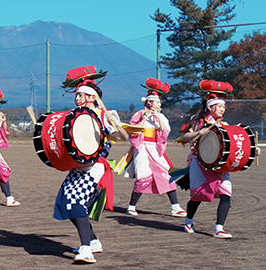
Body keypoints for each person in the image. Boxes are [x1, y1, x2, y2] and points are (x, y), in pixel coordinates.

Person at [54, 66, 128, 263]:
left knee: (76, 202)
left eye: (82, 95)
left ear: (93, 97)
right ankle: (93, 241)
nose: (77, 98)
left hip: (95, 167)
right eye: (76, 95)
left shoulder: (106, 114)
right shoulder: (75, 115)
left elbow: (124, 137)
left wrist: (115, 123)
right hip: (78, 167)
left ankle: (86, 249)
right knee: (65, 203)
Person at [178, 80, 255, 239]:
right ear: (211, 107)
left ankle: (219, 228)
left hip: (220, 166)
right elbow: (185, 137)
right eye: (219, 106)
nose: (223, 109)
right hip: (200, 164)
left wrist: (252, 149)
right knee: (198, 196)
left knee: (226, 195)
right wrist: (200, 133)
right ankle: (188, 220)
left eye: (223, 106)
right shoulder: (199, 122)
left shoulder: (224, 124)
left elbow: (233, 144)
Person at [122, 78, 186, 217]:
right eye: (157, 102)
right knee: (143, 176)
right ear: (149, 102)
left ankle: (175, 207)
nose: (159, 104)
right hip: (142, 147)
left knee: (167, 175)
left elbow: (165, 131)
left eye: (159, 101)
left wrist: (157, 117)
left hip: (155, 149)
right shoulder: (138, 114)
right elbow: (134, 130)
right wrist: (145, 118)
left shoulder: (161, 116)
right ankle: (131, 206)